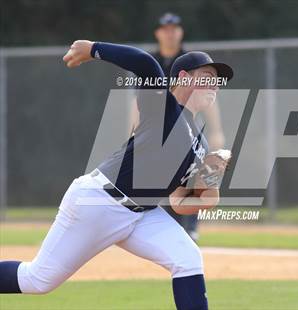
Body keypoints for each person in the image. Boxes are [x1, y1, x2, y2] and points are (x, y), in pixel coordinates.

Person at [0, 39, 233, 310]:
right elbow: (146, 65)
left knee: (188, 257)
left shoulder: (200, 143)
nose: (215, 84)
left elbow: (181, 202)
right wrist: (93, 49)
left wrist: (211, 174)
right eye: (207, 77)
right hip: (99, 203)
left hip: (142, 214)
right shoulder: (164, 108)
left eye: (217, 80)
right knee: (37, 280)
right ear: (183, 77)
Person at [150, 13, 226, 240]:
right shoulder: (152, 62)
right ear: (159, 33)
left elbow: (208, 96)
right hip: (160, 129)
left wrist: (216, 131)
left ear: (180, 32)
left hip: (189, 128)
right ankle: (170, 226)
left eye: (175, 28)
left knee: (193, 176)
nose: (171, 33)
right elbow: (139, 102)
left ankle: (190, 227)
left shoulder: (190, 59)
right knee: (165, 180)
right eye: (166, 28)